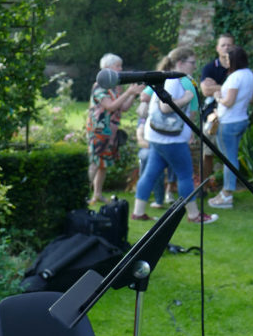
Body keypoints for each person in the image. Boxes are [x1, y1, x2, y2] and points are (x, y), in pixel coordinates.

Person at [131, 46, 217, 225]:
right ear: (180, 63)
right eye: (192, 63)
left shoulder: (163, 77)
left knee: (150, 174)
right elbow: (166, 107)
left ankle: (138, 212)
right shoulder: (175, 81)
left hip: (156, 136)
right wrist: (186, 98)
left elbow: (148, 97)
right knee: (185, 175)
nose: (195, 66)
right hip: (172, 139)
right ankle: (194, 215)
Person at [86, 53, 142, 205]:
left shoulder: (116, 86)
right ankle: (84, 193)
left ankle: (97, 194)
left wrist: (133, 94)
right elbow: (110, 106)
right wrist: (128, 92)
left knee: (104, 164)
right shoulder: (99, 86)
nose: (121, 69)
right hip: (98, 131)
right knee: (95, 163)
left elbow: (123, 107)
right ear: (107, 68)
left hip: (110, 131)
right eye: (118, 66)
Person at [208, 45, 253, 209]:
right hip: (241, 119)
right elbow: (251, 99)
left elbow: (229, 101)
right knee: (231, 157)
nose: (226, 61)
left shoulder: (235, 77)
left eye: (228, 59)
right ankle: (226, 192)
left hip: (228, 122)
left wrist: (217, 97)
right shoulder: (250, 75)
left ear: (234, 60)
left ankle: (227, 194)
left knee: (229, 159)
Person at [200, 32, 234, 180]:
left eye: (229, 45)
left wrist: (217, 87)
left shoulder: (238, 69)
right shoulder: (209, 68)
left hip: (231, 115)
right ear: (217, 48)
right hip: (211, 117)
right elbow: (205, 90)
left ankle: (227, 186)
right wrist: (230, 89)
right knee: (207, 153)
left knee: (228, 155)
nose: (226, 48)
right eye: (223, 45)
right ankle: (204, 185)